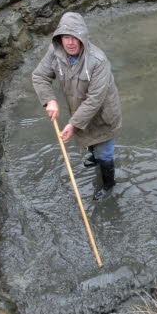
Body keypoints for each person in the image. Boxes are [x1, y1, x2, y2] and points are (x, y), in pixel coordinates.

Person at [32, 12, 122, 201]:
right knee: (88, 138)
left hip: (103, 113)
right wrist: (50, 99)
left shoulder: (98, 61)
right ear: (60, 38)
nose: (70, 42)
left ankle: (108, 185)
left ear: (83, 38)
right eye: (66, 37)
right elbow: (40, 76)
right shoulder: (55, 52)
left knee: (104, 151)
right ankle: (93, 156)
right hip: (79, 107)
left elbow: (95, 99)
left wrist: (72, 124)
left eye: (75, 37)